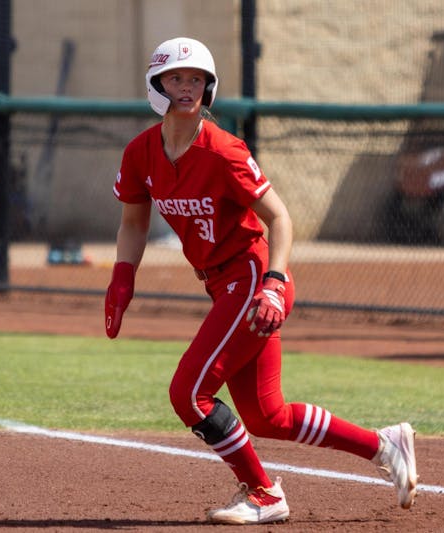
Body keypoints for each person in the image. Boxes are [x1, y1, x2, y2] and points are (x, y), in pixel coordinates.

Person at [104, 37, 418, 525]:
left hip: (252, 278)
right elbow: (133, 224)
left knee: (188, 393)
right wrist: (122, 278)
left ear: (209, 88)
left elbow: (281, 219)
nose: (187, 87)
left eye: (196, 79)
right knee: (268, 416)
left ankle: (264, 494)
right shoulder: (140, 153)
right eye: (176, 78)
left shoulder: (224, 150)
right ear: (156, 85)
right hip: (221, 284)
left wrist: (274, 280)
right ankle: (385, 445)